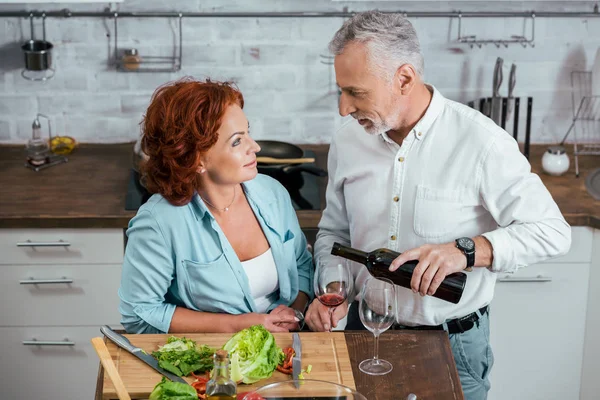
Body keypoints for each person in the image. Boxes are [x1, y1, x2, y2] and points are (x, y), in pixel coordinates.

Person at [304, 11, 571, 399]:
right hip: (363, 333)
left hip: (453, 344)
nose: (344, 108)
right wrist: (334, 286)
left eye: (356, 93)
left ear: (405, 79)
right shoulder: (347, 142)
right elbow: (334, 234)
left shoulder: (481, 142)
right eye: (340, 92)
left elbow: (552, 232)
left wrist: (466, 251)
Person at [119, 78, 313, 334]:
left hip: (286, 349)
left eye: (248, 133)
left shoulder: (272, 193)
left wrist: (294, 312)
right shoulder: (159, 223)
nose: (254, 147)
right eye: (236, 141)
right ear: (196, 160)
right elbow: (139, 313)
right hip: (211, 363)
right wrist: (239, 325)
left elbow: (301, 264)